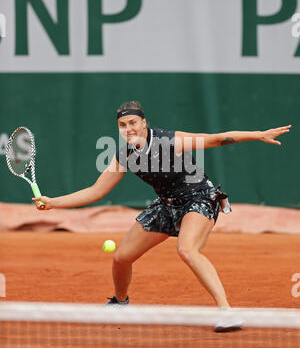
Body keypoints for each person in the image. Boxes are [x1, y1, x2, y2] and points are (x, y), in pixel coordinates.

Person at [33, 101, 291, 331]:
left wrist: (257, 135)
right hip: (166, 206)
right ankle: (120, 303)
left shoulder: (169, 141)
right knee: (121, 258)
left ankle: (226, 311)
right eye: (123, 125)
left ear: (144, 123)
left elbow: (216, 138)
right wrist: (53, 202)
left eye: (133, 122)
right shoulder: (124, 154)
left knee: (187, 250)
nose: (128, 128)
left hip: (199, 198)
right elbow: (96, 190)